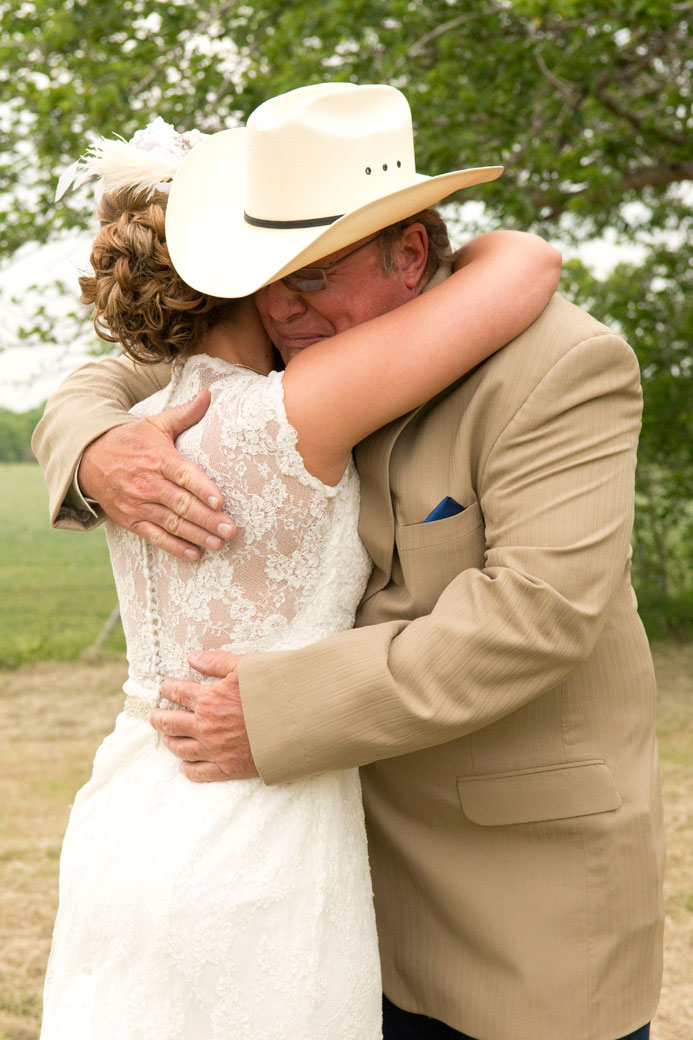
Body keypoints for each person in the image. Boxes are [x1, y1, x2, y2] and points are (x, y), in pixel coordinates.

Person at [33, 84, 663, 1040]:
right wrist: (91, 447)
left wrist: (276, 709)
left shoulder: (560, 366)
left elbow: (538, 612)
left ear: (409, 252)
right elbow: (115, 371)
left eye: (313, 275)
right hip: (313, 884)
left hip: (511, 909)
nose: (280, 309)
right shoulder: (292, 357)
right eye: (263, 277)